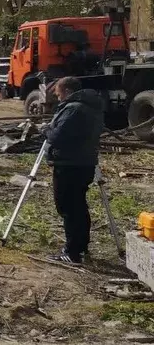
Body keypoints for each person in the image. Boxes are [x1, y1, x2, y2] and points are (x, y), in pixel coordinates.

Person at [44, 76, 105, 263]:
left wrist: (46, 131)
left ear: (68, 91)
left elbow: (58, 136)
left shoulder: (73, 109)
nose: (58, 98)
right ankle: (81, 247)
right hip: (83, 162)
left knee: (68, 207)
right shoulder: (89, 107)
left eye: (59, 94)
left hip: (69, 164)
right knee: (78, 205)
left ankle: (72, 252)